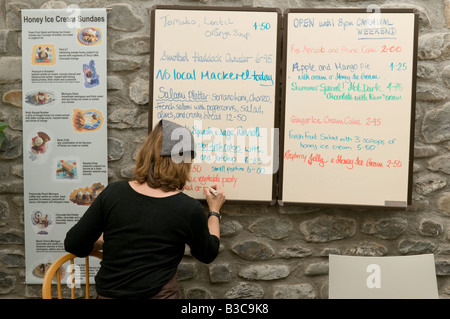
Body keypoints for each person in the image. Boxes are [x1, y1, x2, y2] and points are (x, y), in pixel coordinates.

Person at [64, 119, 225, 299]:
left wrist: (99, 242)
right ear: (184, 163)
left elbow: (73, 244)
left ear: (147, 154)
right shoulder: (188, 208)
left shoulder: (114, 193)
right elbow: (208, 253)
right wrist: (214, 211)